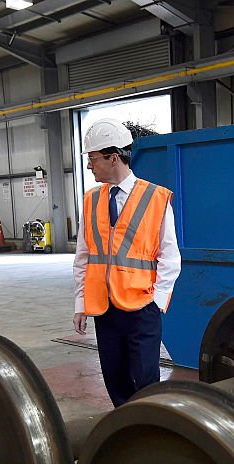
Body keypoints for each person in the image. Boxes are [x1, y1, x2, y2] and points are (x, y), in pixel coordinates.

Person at [72, 119, 181, 407]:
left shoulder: (155, 198)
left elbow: (170, 258)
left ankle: (150, 429)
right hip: (104, 309)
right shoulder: (91, 200)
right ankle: (127, 432)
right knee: (115, 378)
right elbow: (83, 256)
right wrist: (81, 303)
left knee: (145, 379)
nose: (89, 166)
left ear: (113, 157)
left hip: (141, 308)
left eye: (92, 159)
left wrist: (156, 302)